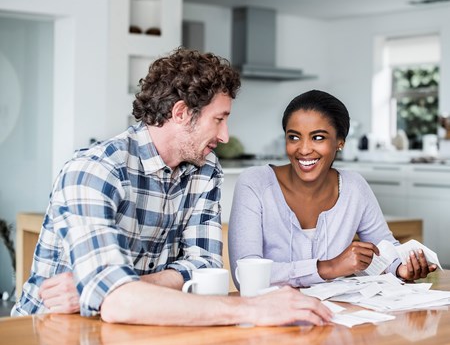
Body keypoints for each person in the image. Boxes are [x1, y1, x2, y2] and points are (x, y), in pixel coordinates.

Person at [11, 48, 331, 326]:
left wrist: (107, 288)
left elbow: (205, 266)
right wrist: (251, 309)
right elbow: (117, 301)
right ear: (181, 113)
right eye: (218, 119)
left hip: (136, 324)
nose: (224, 136)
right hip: (44, 329)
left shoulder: (204, 170)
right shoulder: (96, 171)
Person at [229, 89, 437, 289]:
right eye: (294, 137)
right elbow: (245, 275)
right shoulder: (255, 184)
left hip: (336, 316)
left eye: (318, 137)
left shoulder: (354, 187)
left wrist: (401, 268)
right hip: (270, 318)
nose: (304, 149)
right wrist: (330, 267)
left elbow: (384, 247)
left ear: (340, 142)